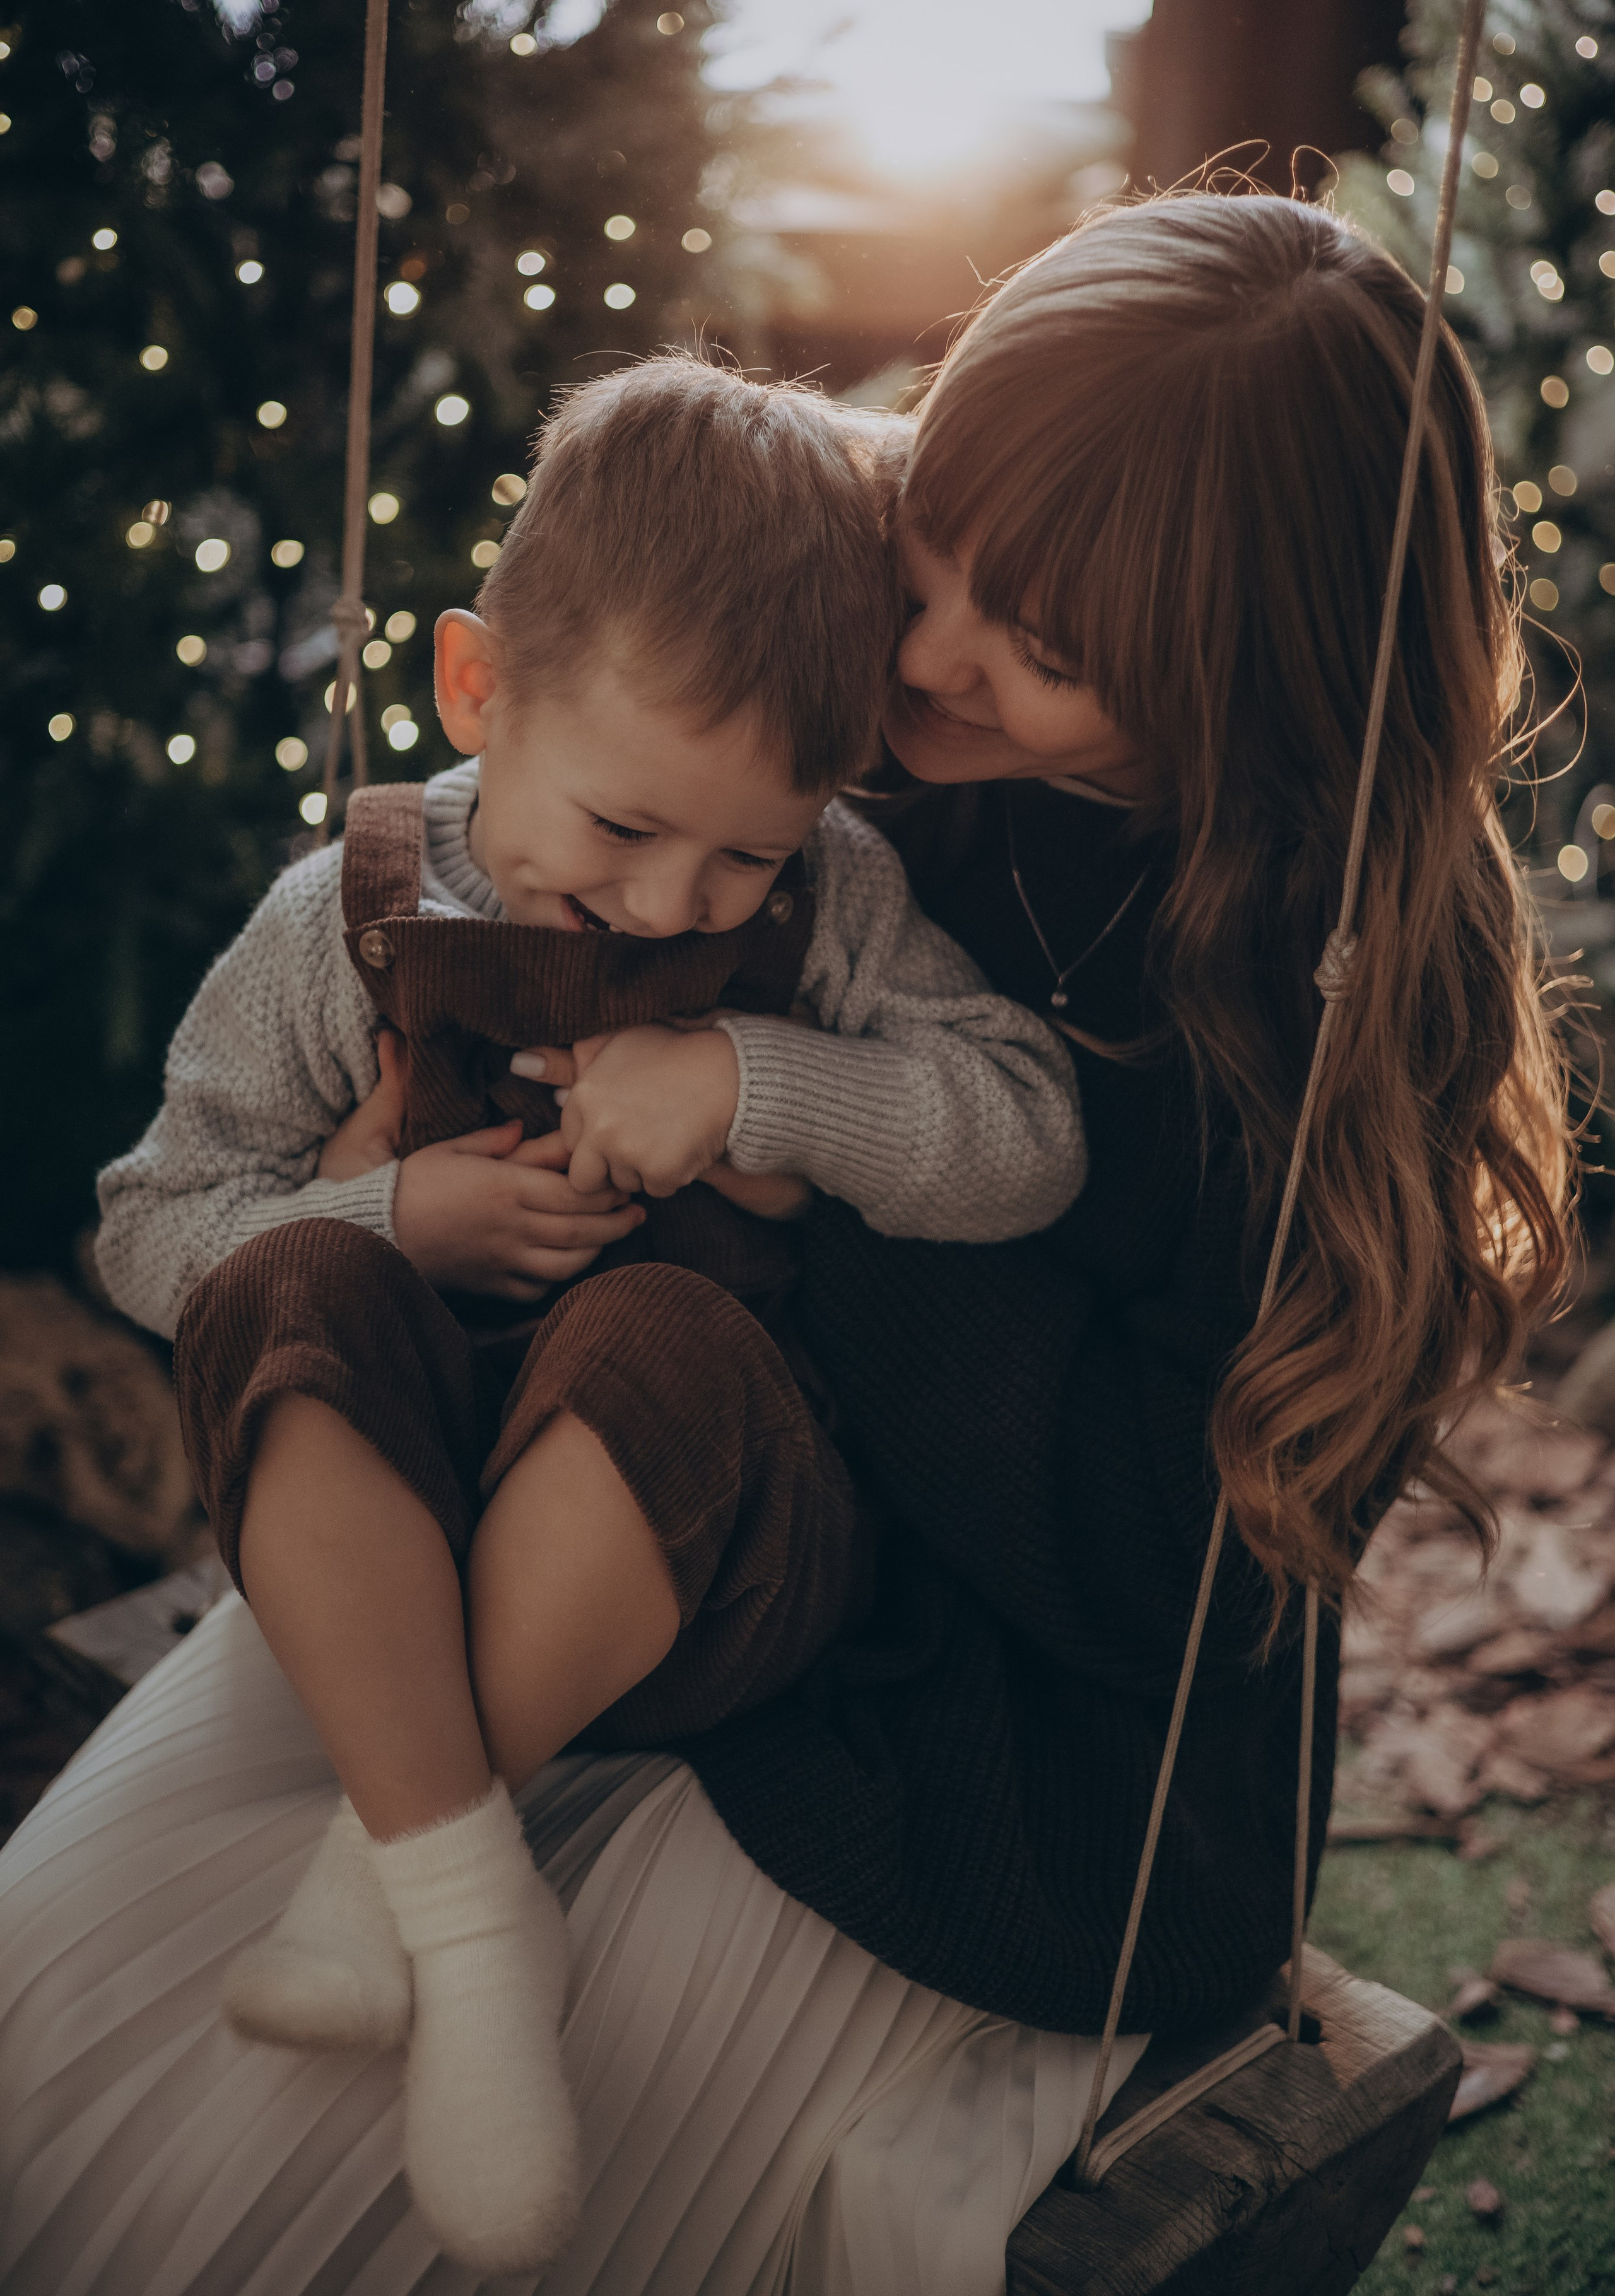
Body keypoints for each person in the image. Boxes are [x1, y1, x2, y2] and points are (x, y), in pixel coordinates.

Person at [0, 190, 1573, 2296]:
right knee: (69, 2006)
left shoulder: (1316, 992)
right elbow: (553, 732)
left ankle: (441, 1895)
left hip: (983, 1744)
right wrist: (402, 1151)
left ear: (1238, 691)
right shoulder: (822, 636)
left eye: (1047, 657)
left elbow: (1149, 1565)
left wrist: (783, 1157)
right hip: (554, 1495)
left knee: (281, 2171)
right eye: (948, 561)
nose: (923, 665)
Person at [89, 357, 1086, 2275]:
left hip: (700, 1559)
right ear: (477, 691)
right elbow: (152, 1229)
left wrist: (755, 1085)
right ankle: (475, 1911)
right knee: (288, 1271)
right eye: (624, 826)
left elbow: (1027, 1138)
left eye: (744, 855)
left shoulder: (838, 902)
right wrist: (391, 1217)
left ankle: (406, 1896)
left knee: (663, 1344)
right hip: (392, 1530)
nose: (666, 899)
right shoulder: (346, 914)